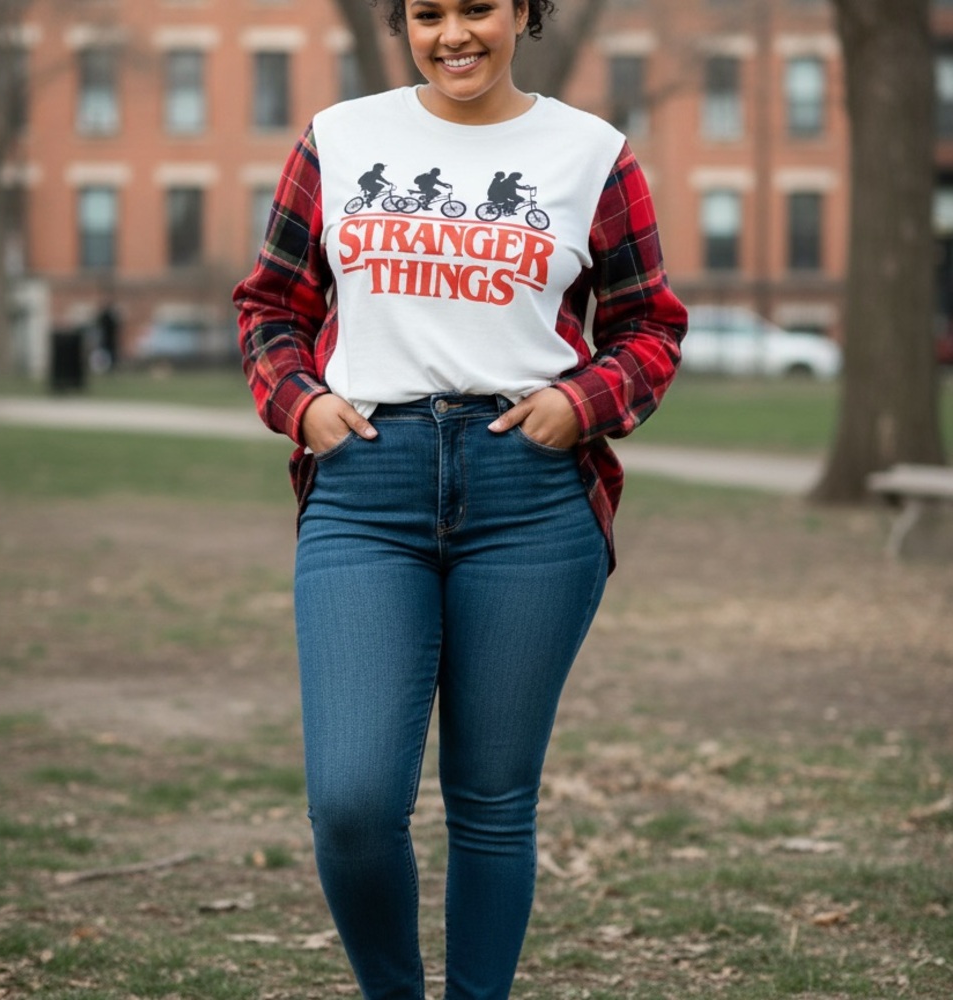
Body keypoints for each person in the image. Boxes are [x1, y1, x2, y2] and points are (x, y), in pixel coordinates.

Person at [232, 1, 687, 997]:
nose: (452, 34)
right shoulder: (341, 139)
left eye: (476, 7)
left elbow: (649, 326)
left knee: (489, 801)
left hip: (528, 493)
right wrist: (299, 403)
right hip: (367, 483)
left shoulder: (590, 154)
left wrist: (582, 402)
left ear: (523, 12)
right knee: (354, 800)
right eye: (426, 12)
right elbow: (271, 304)